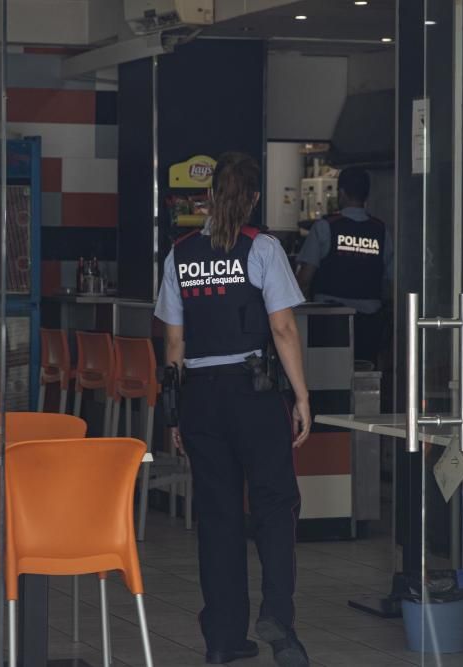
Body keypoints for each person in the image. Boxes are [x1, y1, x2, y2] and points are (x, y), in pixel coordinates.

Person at [155, 152, 311, 666]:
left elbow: (173, 344)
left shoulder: (179, 254)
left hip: (200, 396)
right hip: (254, 392)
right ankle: (278, 620)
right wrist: (302, 396)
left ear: (208, 197)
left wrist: (174, 414)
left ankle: (223, 638)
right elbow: (283, 328)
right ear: (254, 199)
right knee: (274, 504)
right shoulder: (261, 248)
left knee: (218, 516)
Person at [294, 167, 393, 367]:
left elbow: (304, 279)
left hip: (330, 322)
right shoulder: (380, 230)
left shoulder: (325, 226)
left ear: (341, 193)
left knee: (329, 379)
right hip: (369, 322)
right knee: (366, 376)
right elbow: (390, 282)